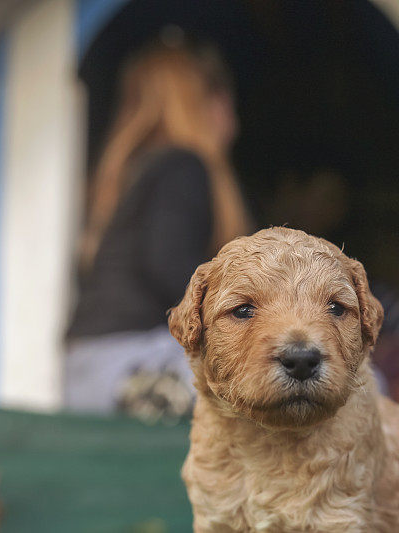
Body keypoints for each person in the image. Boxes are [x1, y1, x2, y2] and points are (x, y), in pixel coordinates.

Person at [64, 41, 251, 418]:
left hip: (84, 368)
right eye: (229, 100)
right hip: (132, 362)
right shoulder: (184, 166)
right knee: (278, 377)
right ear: (209, 105)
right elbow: (169, 264)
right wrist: (248, 313)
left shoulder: (130, 172)